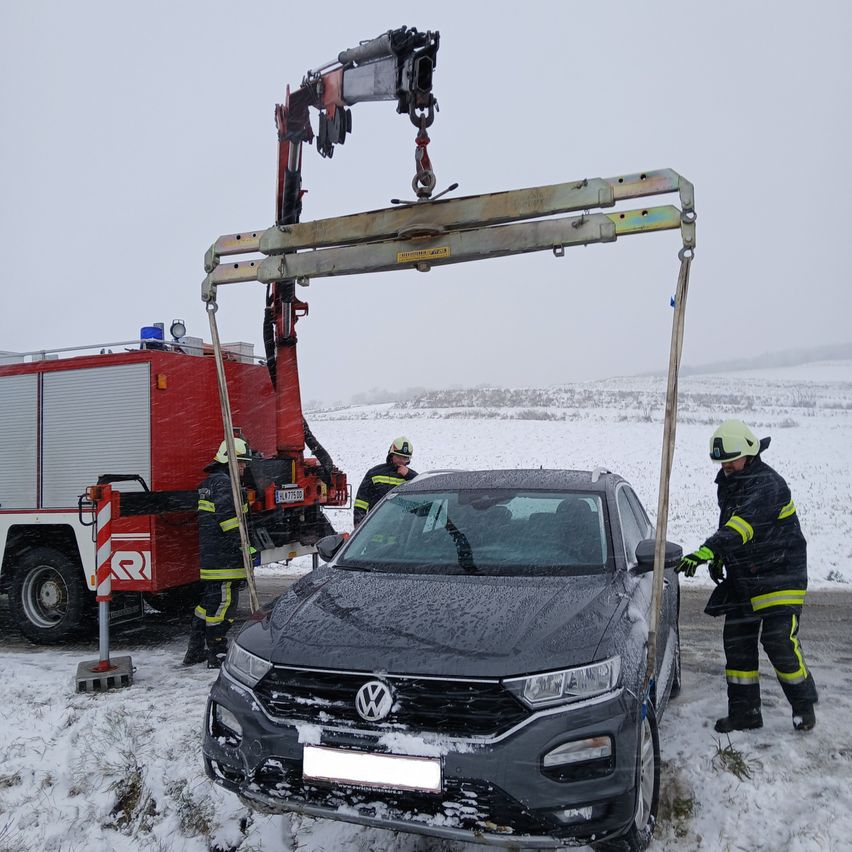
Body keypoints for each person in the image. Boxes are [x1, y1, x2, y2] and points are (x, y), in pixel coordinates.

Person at [677, 419, 818, 732]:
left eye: (731, 460)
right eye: (722, 462)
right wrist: (720, 558)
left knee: (777, 641)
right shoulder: (731, 482)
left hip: (780, 574)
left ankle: (803, 704)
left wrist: (708, 549)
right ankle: (745, 714)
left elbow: (743, 525)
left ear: (750, 453)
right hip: (744, 577)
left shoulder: (769, 485)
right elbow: (732, 526)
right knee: (737, 644)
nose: (726, 466)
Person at [183, 437, 252, 668]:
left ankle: (194, 651)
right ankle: (217, 653)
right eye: (241, 462)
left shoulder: (209, 483)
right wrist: (245, 547)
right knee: (222, 606)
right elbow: (230, 521)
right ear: (228, 460)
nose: (244, 467)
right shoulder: (224, 484)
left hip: (213, 557)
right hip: (225, 560)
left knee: (208, 605)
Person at [353, 436, 418, 527]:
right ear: (391, 455)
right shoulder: (374, 473)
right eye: (398, 456)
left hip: (400, 530)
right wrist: (359, 524)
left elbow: (421, 493)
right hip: (374, 528)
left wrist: (409, 475)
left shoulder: (410, 477)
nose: (402, 461)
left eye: (405, 458)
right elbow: (361, 502)